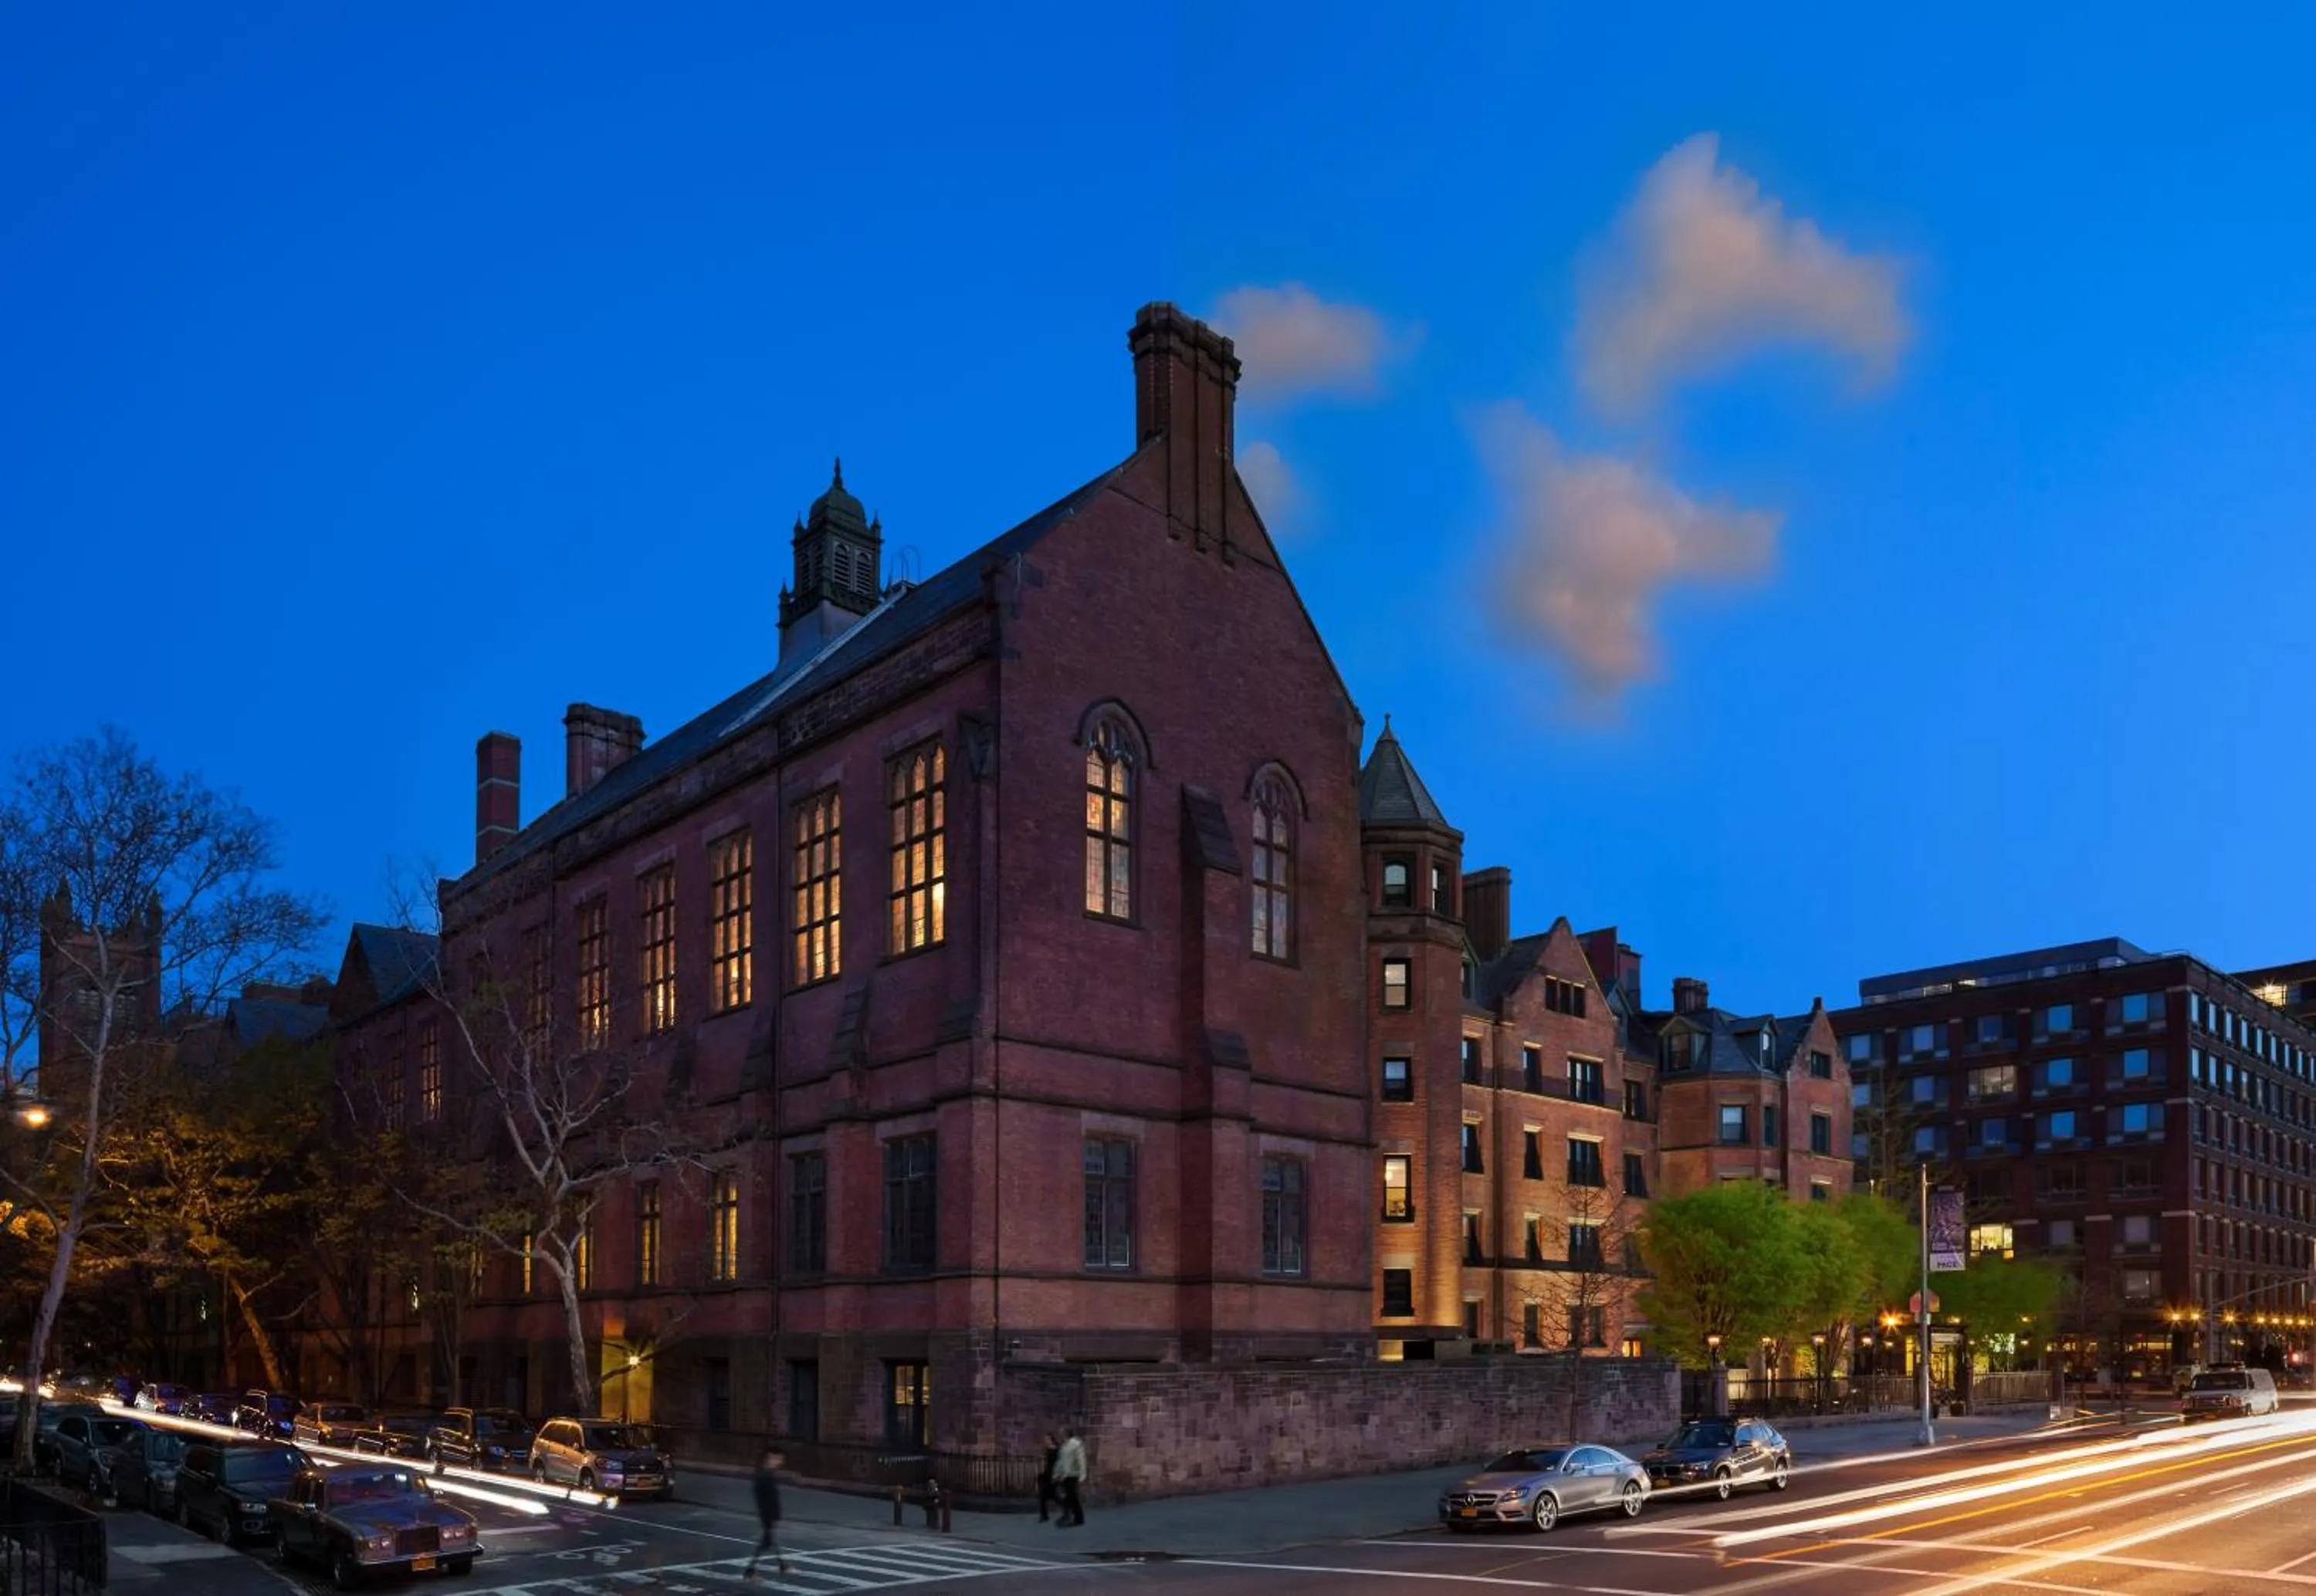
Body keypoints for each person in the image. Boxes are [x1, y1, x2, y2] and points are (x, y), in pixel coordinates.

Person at [742, 1443, 789, 1581]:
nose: (781, 1462)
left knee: (770, 1540)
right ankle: (749, 1571)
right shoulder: (765, 1476)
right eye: (779, 1459)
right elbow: (767, 1499)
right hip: (767, 1514)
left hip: (767, 1514)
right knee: (766, 1541)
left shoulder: (765, 1474)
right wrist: (773, 1517)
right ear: (770, 1458)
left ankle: (782, 1565)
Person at [1053, 1426, 1087, 1527]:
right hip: (1064, 1475)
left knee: (1072, 1497)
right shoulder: (1064, 1445)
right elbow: (1061, 1461)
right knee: (1068, 1497)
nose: (1060, 1435)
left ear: (1066, 1433)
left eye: (1061, 1433)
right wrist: (1056, 1473)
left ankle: (1076, 1518)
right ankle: (1072, 1516)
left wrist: (1082, 1474)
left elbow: (1081, 1460)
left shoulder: (1075, 1444)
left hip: (1072, 1474)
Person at [1036, 1432, 1060, 1523]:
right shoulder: (1048, 1450)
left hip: (1052, 1474)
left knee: (1052, 1496)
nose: (1045, 1441)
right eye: (1044, 1439)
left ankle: (1068, 1508)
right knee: (1044, 1496)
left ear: (1051, 1440)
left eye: (1047, 1439)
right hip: (1047, 1474)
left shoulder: (1055, 1450)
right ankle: (1044, 1515)